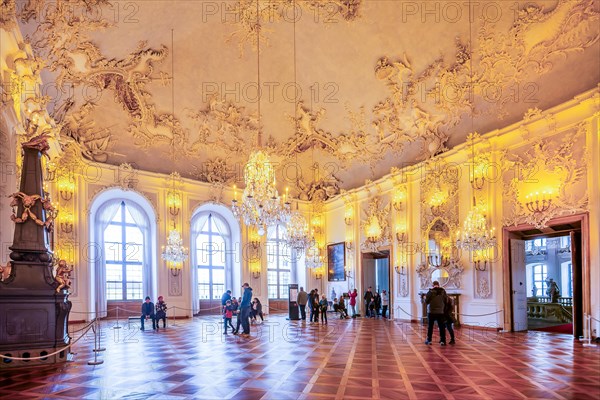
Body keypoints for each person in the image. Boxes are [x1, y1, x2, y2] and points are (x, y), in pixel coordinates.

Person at [425, 281, 448, 345]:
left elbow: (426, 301)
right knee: (442, 327)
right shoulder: (443, 292)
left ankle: (429, 340)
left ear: (433, 285)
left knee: (430, 326)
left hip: (431, 311)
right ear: (438, 285)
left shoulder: (430, 292)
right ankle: (442, 341)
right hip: (440, 312)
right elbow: (446, 301)